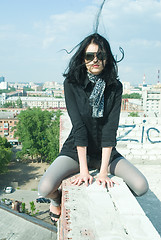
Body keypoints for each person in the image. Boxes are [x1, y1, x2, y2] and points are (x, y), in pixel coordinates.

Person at [38, 33, 149, 223]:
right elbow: (79, 127)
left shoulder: (114, 87)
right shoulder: (72, 84)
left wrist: (104, 171)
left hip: (104, 151)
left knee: (141, 186)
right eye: (90, 56)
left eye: (101, 55)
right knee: (45, 188)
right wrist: (83, 170)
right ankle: (56, 201)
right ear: (82, 58)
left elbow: (110, 128)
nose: (95, 60)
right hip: (76, 149)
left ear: (108, 58)